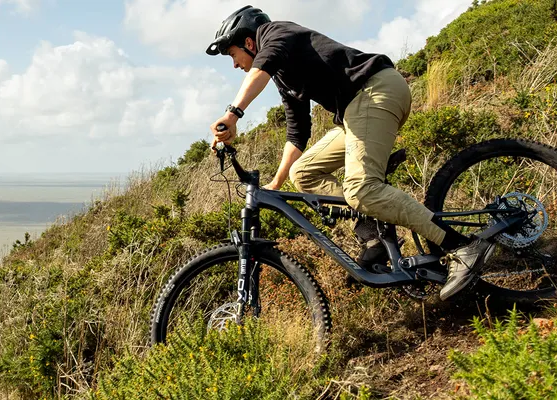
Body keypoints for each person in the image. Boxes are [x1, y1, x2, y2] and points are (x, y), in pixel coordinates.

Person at [205, 5, 493, 300]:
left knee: (361, 189)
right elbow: (297, 132)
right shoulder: (284, 75)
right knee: (302, 174)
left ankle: (461, 246)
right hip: (358, 109)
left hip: (374, 91)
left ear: (249, 43)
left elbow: (260, 68)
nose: (235, 64)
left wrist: (232, 115)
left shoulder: (277, 33)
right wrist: (276, 184)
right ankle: (373, 231)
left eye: (232, 55)